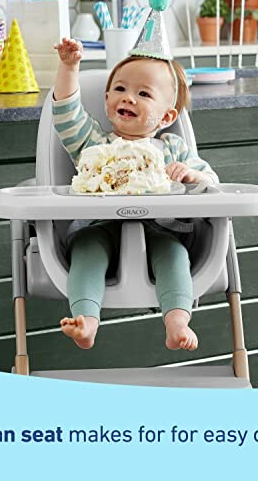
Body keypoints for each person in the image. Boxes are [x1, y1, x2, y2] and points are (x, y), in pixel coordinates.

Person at [52, 36, 218, 352]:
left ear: (167, 117)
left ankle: (177, 322)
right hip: (99, 227)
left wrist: (191, 175)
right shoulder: (93, 145)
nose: (128, 98)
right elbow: (66, 112)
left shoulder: (174, 150)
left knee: (175, 256)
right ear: (106, 99)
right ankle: (86, 321)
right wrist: (69, 66)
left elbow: (211, 181)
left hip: (162, 229)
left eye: (143, 93)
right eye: (120, 89)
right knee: (85, 250)